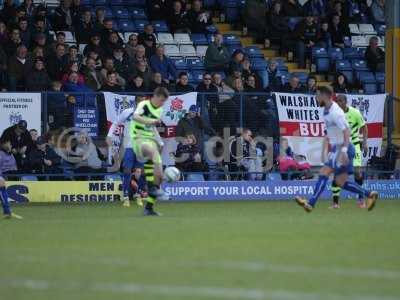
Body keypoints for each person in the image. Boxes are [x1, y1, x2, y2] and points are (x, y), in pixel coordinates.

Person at [294, 86, 378, 212]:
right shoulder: (326, 110)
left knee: (324, 172)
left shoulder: (335, 112)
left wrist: (343, 151)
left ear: (325, 96)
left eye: (317, 95)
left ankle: (311, 203)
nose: (316, 98)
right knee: (340, 182)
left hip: (343, 149)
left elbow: (347, 131)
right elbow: (332, 133)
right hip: (338, 148)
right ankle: (370, 194)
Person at [130, 87, 170, 216]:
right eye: (162, 100)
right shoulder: (144, 104)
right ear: (156, 96)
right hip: (138, 140)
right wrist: (151, 121)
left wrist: (160, 141)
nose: (163, 103)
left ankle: (149, 208)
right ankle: (153, 187)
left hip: (150, 140)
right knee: (153, 152)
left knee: (157, 178)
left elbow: (152, 129)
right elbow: (136, 117)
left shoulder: (159, 110)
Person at [330, 94, 368, 209]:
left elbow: (364, 128)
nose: (338, 103)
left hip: (354, 146)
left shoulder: (355, 113)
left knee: (357, 172)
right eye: (337, 101)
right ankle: (335, 203)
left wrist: (365, 142)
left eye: (340, 101)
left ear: (346, 102)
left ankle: (361, 199)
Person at [107, 103, 141, 207]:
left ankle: (137, 194)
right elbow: (116, 122)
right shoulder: (127, 112)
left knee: (138, 172)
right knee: (127, 170)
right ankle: (126, 196)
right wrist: (109, 135)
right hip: (128, 146)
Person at [0, 138, 22, 219]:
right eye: (9, 143)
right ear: (3, 144)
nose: (10, 145)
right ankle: (7, 212)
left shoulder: (8, 154)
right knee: (2, 186)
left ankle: (7, 212)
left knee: (2, 187)